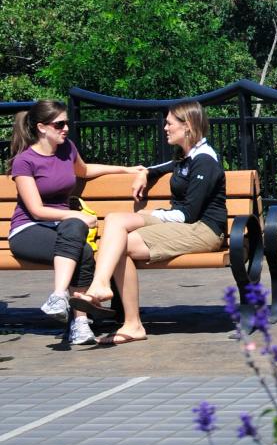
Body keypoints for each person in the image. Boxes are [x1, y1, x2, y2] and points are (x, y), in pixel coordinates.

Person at [71, 101, 227, 344]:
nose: (165, 127)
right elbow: (162, 167)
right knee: (114, 220)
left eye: (169, 123)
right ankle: (105, 290)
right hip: (183, 225)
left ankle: (128, 319)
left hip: (204, 230)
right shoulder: (187, 157)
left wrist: (154, 214)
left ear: (188, 126)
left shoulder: (204, 161)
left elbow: (189, 215)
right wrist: (144, 173)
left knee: (120, 241)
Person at [8, 100, 147, 349]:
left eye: (66, 124)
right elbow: (36, 210)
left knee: (81, 245)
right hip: (28, 230)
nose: (65, 129)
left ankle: (69, 311)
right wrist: (76, 216)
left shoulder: (67, 149)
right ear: (41, 127)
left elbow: (84, 170)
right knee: (76, 230)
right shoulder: (25, 162)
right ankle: (69, 307)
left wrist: (125, 170)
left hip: (62, 230)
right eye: (59, 124)